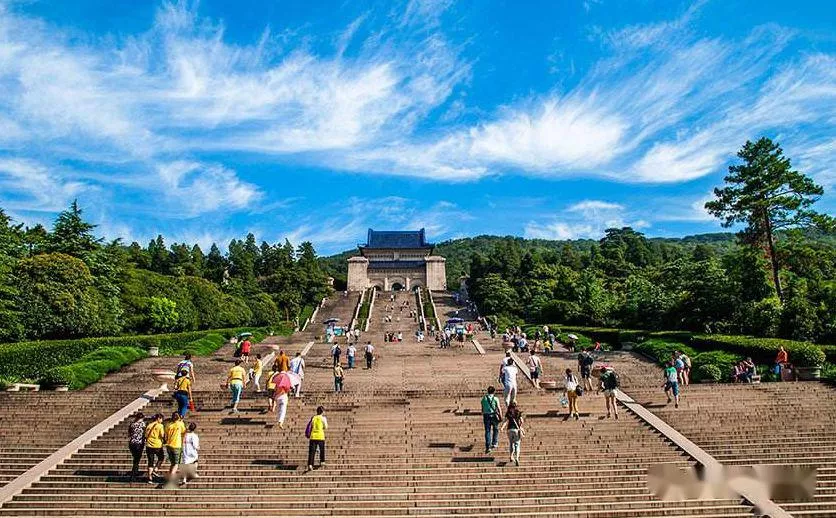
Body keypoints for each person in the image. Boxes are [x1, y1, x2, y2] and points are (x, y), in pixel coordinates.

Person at [499, 401, 525, 466]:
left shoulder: (508, 413)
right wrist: (520, 426)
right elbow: (522, 421)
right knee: (517, 444)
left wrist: (502, 428)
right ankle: (517, 458)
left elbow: (505, 421)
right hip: (516, 430)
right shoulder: (517, 412)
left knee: (511, 443)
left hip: (509, 429)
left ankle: (511, 456)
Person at [164, 412, 186, 482]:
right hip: (177, 445)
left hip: (168, 445)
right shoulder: (180, 424)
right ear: (178, 417)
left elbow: (165, 435)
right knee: (176, 464)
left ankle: (169, 476)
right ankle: (171, 477)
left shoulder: (168, 425)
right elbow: (184, 432)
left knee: (172, 463)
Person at [144, 414, 165, 483]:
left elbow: (146, 435)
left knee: (150, 461)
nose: (162, 420)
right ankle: (155, 470)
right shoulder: (160, 426)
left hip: (149, 445)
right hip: (157, 445)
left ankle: (150, 478)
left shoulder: (149, 425)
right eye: (161, 419)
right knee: (161, 458)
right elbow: (162, 435)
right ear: (158, 418)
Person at [306, 406, 328, 472]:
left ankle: (310, 464)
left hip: (313, 436)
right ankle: (322, 461)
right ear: (322, 412)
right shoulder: (323, 418)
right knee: (322, 450)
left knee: (312, 451)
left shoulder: (313, 418)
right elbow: (326, 427)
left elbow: (311, 426)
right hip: (320, 436)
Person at [127, 412, 146, 481]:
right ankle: (134, 474)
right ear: (142, 418)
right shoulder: (143, 424)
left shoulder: (132, 424)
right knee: (137, 459)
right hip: (139, 443)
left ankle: (135, 471)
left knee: (135, 458)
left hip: (132, 443)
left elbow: (129, 434)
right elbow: (145, 434)